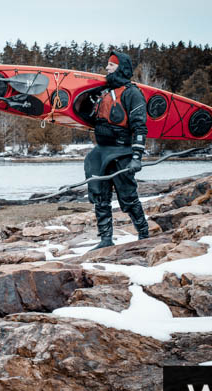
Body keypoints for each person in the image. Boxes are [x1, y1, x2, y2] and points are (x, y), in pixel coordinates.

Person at [84, 50, 150, 250]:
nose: (107, 68)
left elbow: (140, 127)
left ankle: (144, 234)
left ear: (120, 67)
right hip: (101, 153)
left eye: (111, 65)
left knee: (128, 198)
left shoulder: (132, 93)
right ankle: (105, 239)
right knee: (100, 198)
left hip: (122, 152)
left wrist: (137, 157)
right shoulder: (103, 93)